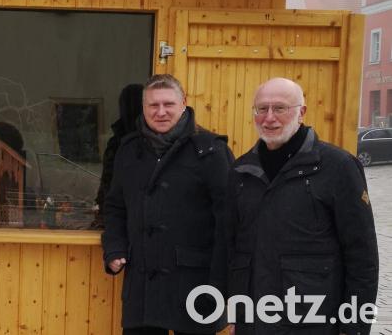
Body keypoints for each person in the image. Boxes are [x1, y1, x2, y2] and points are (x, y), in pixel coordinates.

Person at [227, 78, 378, 335]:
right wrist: (232, 311)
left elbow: (362, 256)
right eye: (261, 109)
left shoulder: (338, 167)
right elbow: (232, 247)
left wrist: (354, 328)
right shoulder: (241, 171)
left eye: (280, 108)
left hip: (314, 321)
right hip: (253, 320)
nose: (269, 118)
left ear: (301, 112)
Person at [102, 74, 232, 335]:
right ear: (143, 107)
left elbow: (229, 220)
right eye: (153, 105)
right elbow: (115, 206)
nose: (161, 112)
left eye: (168, 104)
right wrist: (114, 247)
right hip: (142, 284)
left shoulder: (210, 151)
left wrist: (223, 284)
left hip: (195, 284)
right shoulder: (128, 151)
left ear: (183, 103)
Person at [93, 83, 144, 229]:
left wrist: (102, 206)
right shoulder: (119, 140)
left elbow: (108, 180)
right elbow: (108, 179)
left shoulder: (119, 141)